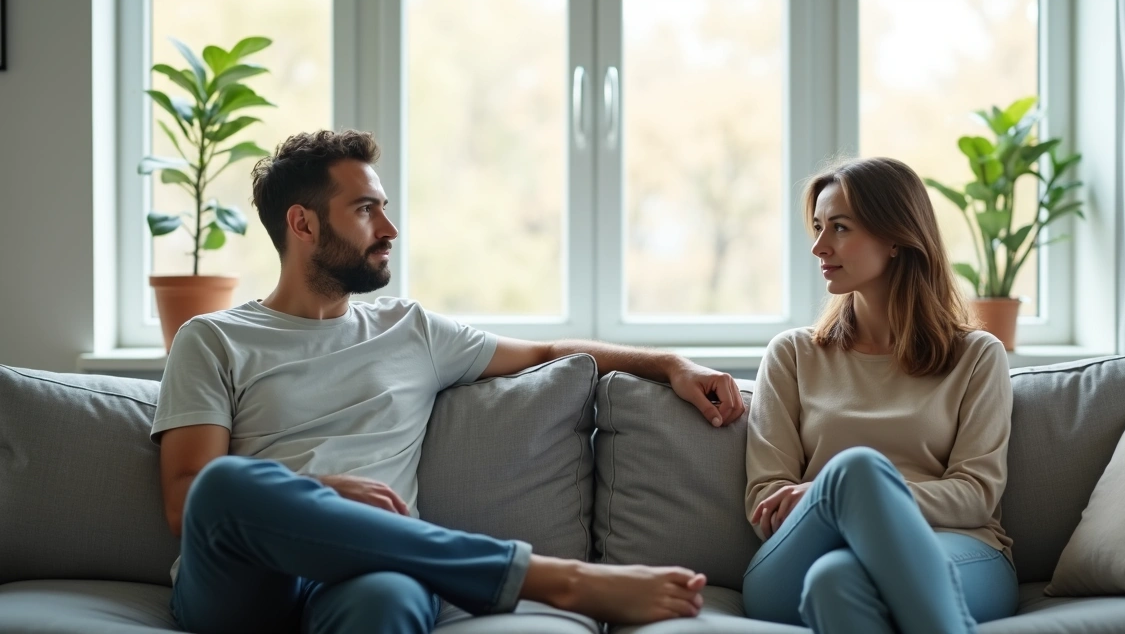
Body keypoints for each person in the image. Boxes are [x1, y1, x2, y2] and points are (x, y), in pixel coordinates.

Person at [153, 129, 746, 634]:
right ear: (302, 223)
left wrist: (671, 363)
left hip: (371, 571)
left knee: (389, 598)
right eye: (365, 210)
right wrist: (323, 491)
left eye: (383, 207)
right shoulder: (212, 338)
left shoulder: (411, 329)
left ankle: (490, 573)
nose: (388, 228)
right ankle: (552, 579)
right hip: (249, 583)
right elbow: (189, 500)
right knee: (224, 484)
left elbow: (550, 351)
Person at [741, 157, 1018, 633]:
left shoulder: (976, 356)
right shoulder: (792, 355)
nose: (819, 246)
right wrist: (834, 499)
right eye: (817, 227)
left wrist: (859, 494)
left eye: (839, 228)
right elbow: (765, 502)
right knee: (855, 473)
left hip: (956, 547)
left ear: (896, 237)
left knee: (837, 576)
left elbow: (976, 496)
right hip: (799, 559)